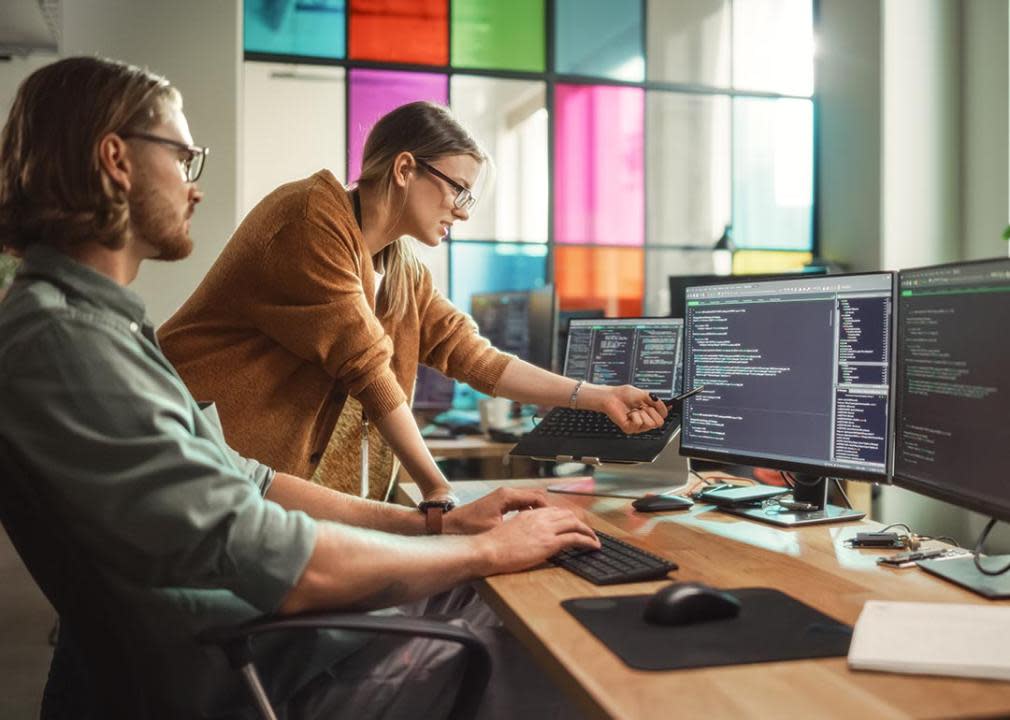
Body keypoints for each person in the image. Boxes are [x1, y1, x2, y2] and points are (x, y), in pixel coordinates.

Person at [0, 56, 599, 719]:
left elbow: (250, 481)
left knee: (503, 591)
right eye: (182, 157)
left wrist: (442, 522)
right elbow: (270, 549)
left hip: (262, 626)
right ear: (116, 159)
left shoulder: (101, 331)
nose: (194, 187)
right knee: (553, 658)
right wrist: (473, 541)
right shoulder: (66, 346)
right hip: (252, 662)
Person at [158, 101, 669, 504]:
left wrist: (599, 395)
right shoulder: (312, 219)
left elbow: (474, 357)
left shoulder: (400, 268)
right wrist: (439, 490)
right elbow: (368, 368)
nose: (462, 213)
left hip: (269, 496)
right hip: (195, 473)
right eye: (458, 191)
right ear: (405, 168)